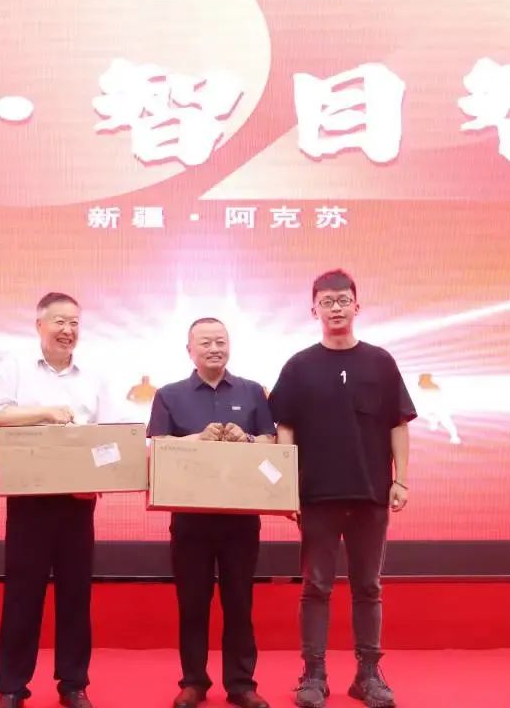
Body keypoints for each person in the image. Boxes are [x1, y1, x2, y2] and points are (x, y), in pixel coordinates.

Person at [268, 270, 416, 708]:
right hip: (316, 496)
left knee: (368, 586)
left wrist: (401, 478)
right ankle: (313, 675)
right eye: (327, 301)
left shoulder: (380, 362)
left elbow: (398, 423)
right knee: (316, 586)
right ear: (313, 309)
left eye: (343, 300)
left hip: (371, 495)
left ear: (357, 305)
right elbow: (284, 428)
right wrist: (286, 488)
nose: (335, 308)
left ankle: (368, 675)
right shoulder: (299, 366)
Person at [0, 292, 123, 708]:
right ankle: (12, 686)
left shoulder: (94, 374)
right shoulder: (16, 365)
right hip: (28, 498)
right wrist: (46, 413)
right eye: (59, 321)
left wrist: (100, 480)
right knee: (22, 594)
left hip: (78, 500)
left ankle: (73, 684)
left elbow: (111, 437)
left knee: (75, 594)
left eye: (74, 323)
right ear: (40, 325)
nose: (68, 330)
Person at [147, 318, 276, 708]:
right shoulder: (169, 395)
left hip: (240, 517)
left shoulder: (253, 392)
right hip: (190, 518)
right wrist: (196, 440)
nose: (214, 348)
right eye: (205, 343)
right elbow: (158, 447)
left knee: (239, 602)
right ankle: (193, 681)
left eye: (221, 341)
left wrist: (247, 439)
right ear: (190, 350)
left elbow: (271, 443)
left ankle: (241, 684)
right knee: (192, 602)